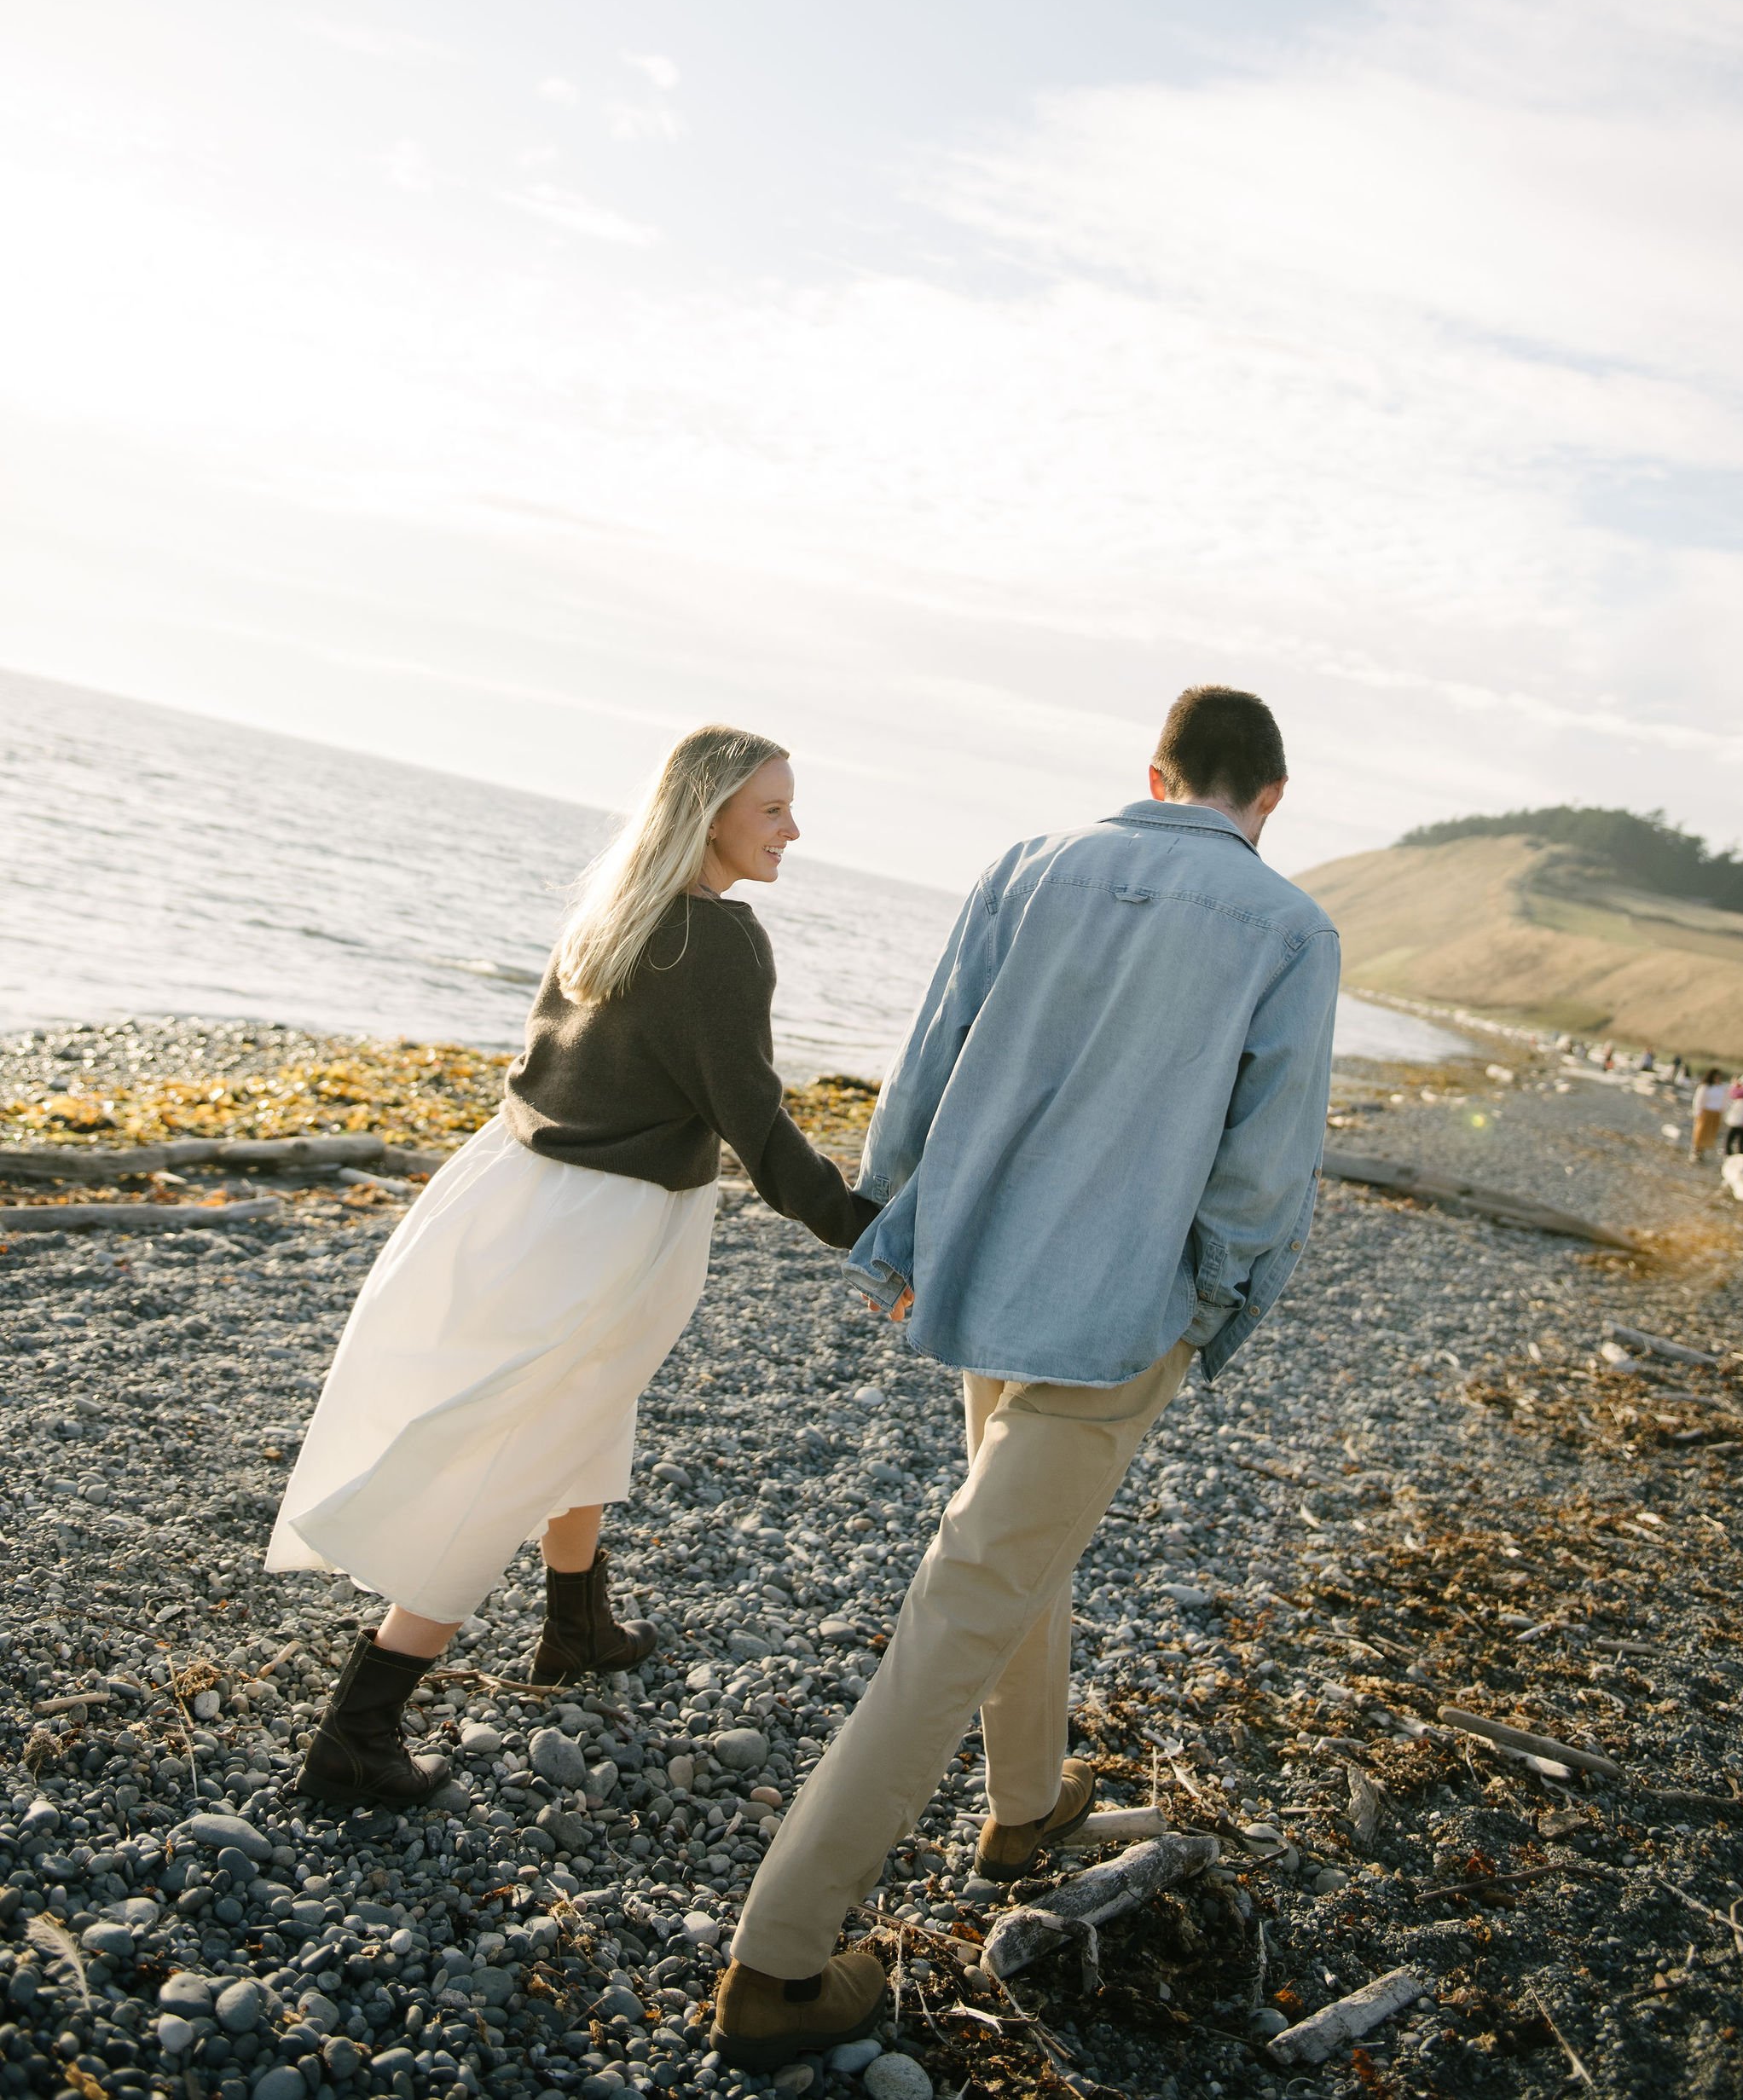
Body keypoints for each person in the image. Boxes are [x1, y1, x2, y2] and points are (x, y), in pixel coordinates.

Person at [710, 684, 1340, 2073]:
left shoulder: (1026, 862)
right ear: (1268, 799)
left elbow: (927, 1058)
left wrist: (901, 1228)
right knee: (968, 1594)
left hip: (985, 1270)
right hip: (1116, 1306)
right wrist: (1216, 1306)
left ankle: (1027, 1804)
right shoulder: (1288, 927)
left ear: (1157, 772)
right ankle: (778, 1957)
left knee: (1014, 1545)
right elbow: (1260, 1162)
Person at [267, 724, 876, 1811]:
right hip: (607, 1223)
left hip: (511, 1189)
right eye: (773, 809)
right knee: (510, 1454)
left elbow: (550, 1062)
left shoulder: (613, 905)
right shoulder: (721, 942)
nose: (794, 829)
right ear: (711, 814)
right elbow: (757, 1124)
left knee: (588, 1409)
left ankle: (576, 1624)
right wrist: (868, 1230)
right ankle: (359, 1729)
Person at [1692, 1067, 1730, 1164]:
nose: (1718, 1078)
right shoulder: (1705, 1087)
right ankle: (1696, 1151)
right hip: (1706, 1112)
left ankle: (1702, 1152)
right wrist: (1697, 1112)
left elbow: (1725, 1100)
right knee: (1701, 1132)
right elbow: (1699, 1100)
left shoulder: (1721, 1088)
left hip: (1716, 1112)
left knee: (1710, 1133)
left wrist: (1723, 1112)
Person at [1723, 1074, 1743, 1160]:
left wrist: (1736, 1084)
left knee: (1741, 1139)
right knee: (1733, 1137)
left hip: (1740, 1117)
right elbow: (1733, 1093)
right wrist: (1736, 1084)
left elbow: (1734, 1092)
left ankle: (1739, 1157)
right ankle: (1729, 1154)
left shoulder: (1740, 1091)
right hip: (1738, 1117)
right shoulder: (1740, 1092)